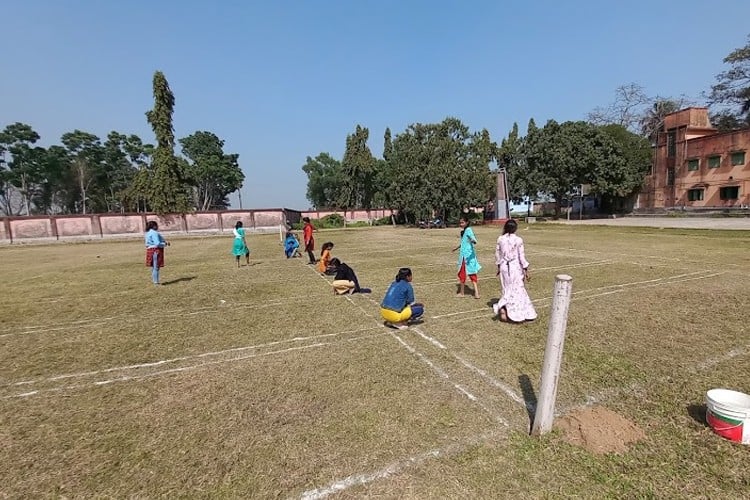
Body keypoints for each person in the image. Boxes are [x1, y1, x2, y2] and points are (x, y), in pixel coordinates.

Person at [493, 219, 537, 322]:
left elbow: (497, 254)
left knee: (507, 289)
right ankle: (515, 311)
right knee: (517, 289)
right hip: (515, 267)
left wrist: (499, 266)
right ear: (515, 228)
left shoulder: (500, 239)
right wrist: (526, 270)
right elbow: (521, 256)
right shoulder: (518, 240)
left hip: (504, 267)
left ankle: (504, 307)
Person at [452, 216, 481, 299]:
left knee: (471, 273)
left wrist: (473, 240)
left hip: (468, 256)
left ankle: (476, 293)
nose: (461, 224)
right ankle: (462, 292)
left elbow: (473, 239)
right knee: (462, 274)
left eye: (462, 222)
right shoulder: (463, 232)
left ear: (467, 222)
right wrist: (456, 248)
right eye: (460, 222)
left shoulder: (468, 230)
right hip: (463, 256)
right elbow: (463, 243)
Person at [145, 220, 169, 286]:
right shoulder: (154, 233)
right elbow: (157, 243)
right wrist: (165, 244)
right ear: (154, 226)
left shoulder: (147, 233)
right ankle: (156, 282)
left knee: (153, 267)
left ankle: (154, 281)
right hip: (156, 250)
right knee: (156, 267)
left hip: (149, 250)